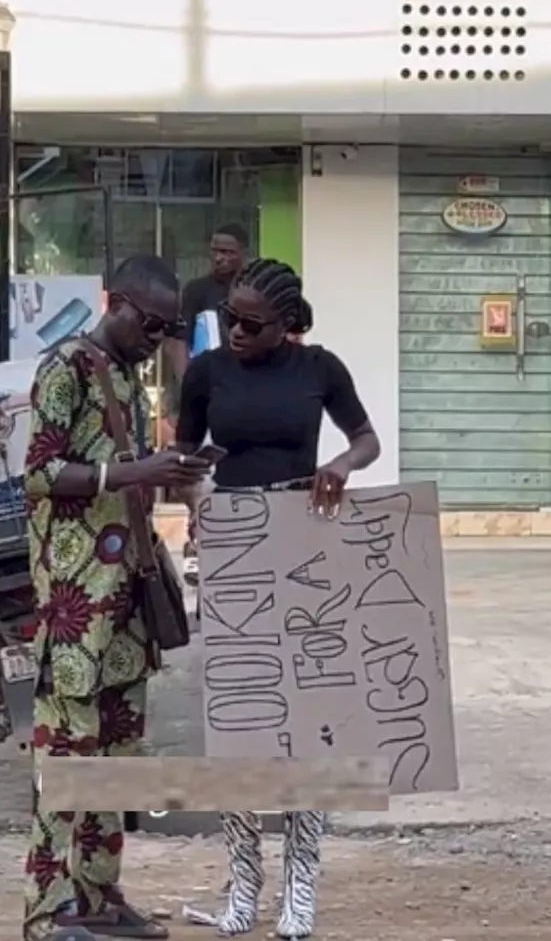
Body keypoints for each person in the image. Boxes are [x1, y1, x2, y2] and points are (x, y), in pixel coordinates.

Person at [174, 258, 380, 939]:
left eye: (251, 322)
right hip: (235, 558)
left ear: (287, 325)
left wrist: (339, 467)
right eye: (230, 317)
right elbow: (183, 456)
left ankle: (300, 892)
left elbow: (365, 440)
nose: (235, 330)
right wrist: (195, 495)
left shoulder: (320, 368)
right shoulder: (206, 373)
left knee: (311, 725)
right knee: (239, 724)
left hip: (307, 551)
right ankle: (242, 890)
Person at [22, 253, 211, 941]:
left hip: (125, 604)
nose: (156, 339)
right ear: (119, 304)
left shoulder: (128, 379)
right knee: (68, 765)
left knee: (117, 765)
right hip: (75, 606)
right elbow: (40, 473)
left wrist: (175, 473)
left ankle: (100, 899)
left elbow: (124, 474)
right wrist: (133, 469)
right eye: (151, 324)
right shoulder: (63, 368)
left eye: (167, 329)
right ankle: (49, 914)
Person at [162, 223, 248, 586]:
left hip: (240, 396)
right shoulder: (197, 292)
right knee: (194, 475)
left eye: (228, 251)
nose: (220, 257)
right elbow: (176, 340)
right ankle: (197, 543)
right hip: (202, 396)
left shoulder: (250, 292)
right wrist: (189, 386)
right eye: (215, 250)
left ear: (243, 253)